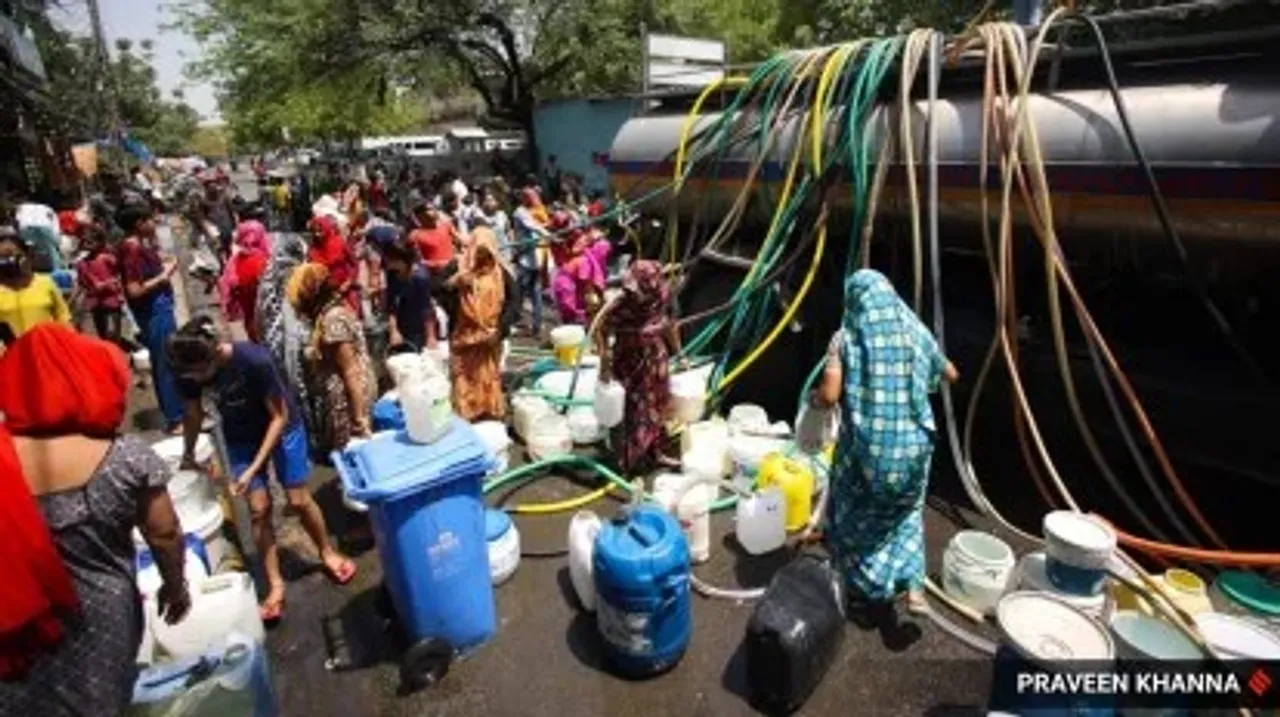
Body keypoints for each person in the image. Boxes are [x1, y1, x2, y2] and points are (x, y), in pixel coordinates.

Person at [0, 324, 190, 715]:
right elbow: (165, 533)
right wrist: (175, 587)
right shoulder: (126, 458)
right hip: (102, 620)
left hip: (18, 631)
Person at [167, 317, 355, 621]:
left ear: (215, 353)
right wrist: (189, 454)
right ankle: (275, 584)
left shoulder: (254, 360)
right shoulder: (188, 371)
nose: (198, 380)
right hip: (241, 434)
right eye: (191, 375)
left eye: (201, 372)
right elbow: (192, 415)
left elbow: (278, 418)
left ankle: (326, 552)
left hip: (283, 427)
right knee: (258, 508)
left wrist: (252, 468)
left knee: (297, 499)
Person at [810, 269, 959, 616]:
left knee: (856, 509)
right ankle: (914, 586)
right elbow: (951, 373)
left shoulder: (845, 337)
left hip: (869, 451)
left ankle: (861, 585)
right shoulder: (915, 330)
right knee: (905, 514)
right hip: (915, 445)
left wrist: (815, 401)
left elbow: (830, 395)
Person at [597, 260, 684, 473]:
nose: (633, 291)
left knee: (658, 408)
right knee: (635, 411)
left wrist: (680, 353)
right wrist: (605, 362)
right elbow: (600, 328)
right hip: (629, 362)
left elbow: (670, 324)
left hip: (655, 361)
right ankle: (630, 463)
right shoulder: (621, 303)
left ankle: (656, 453)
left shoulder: (661, 295)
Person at [286, 263, 377, 454]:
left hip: (349, 398)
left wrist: (359, 417)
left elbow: (350, 370)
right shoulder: (327, 311)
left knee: (353, 451)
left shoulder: (332, 319)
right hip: (344, 393)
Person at [117, 204, 184, 432]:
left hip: (159, 308)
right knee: (164, 362)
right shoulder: (132, 249)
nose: (153, 224)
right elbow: (134, 289)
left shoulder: (139, 246)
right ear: (138, 223)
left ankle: (179, 411)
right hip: (153, 311)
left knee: (170, 360)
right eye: (149, 220)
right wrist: (164, 276)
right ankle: (175, 418)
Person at [446, 227, 507, 421]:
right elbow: (436, 290)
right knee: (465, 376)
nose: (482, 256)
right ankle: (467, 415)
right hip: (465, 336)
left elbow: (513, 304)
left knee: (488, 376)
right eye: (478, 251)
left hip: (489, 337)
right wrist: (453, 283)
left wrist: (499, 331)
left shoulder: (500, 272)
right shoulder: (459, 267)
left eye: (486, 251)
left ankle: (488, 413)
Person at [0, 226, 71, 342]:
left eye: (15, 256)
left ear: (28, 255)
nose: (10, 263)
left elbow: (64, 319)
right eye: (3, 258)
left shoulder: (45, 283)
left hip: (46, 351)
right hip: (9, 357)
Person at [218, 220, 272, 342]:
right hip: (268, 318)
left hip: (249, 313)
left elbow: (228, 287)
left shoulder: (235, 261)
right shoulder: (265, 260)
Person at [382, 239, 439, 352]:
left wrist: (431, 337)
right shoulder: (392, 275)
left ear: (402, 260)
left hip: (419, 329)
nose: (386, 262)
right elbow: (391, 305)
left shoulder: (420, 278)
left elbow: (427, 309)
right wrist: (394, 330)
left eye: (390, 259)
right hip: (401, 325)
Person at [75, 225, 126, 344]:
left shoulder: (108, 259)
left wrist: (118, 291)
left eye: (90, 241)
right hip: (95, 302)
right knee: (101, 330)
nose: (87, 244)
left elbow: (118, 274)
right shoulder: (82, 264)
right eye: (84, 241)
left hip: (111, 299)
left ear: (100, 242)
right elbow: (83, 283)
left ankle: (115, 348)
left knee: (115, 331)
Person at [510, 188, 550, 337]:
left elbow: (539, 226)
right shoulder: (520, 212)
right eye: (531, 197)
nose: (535, 199)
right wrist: (549, 235)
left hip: (534, 259)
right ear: (525, 198)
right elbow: (532, 226)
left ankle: (537, 325)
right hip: (525, 258)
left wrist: (548, 232)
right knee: (519, 292)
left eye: (535, 196)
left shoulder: (533, 211)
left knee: (535, 292)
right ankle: (515, 320)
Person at [306, 215, 360, 314]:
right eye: (314, 231)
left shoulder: (340, 243)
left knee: (350, 322)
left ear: (327, 228)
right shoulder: (312, 250)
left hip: (345, 291)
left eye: (320, 230)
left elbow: (354, 264)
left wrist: (348, 282)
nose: (317, 234)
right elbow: (309, 272)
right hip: (325, 294)